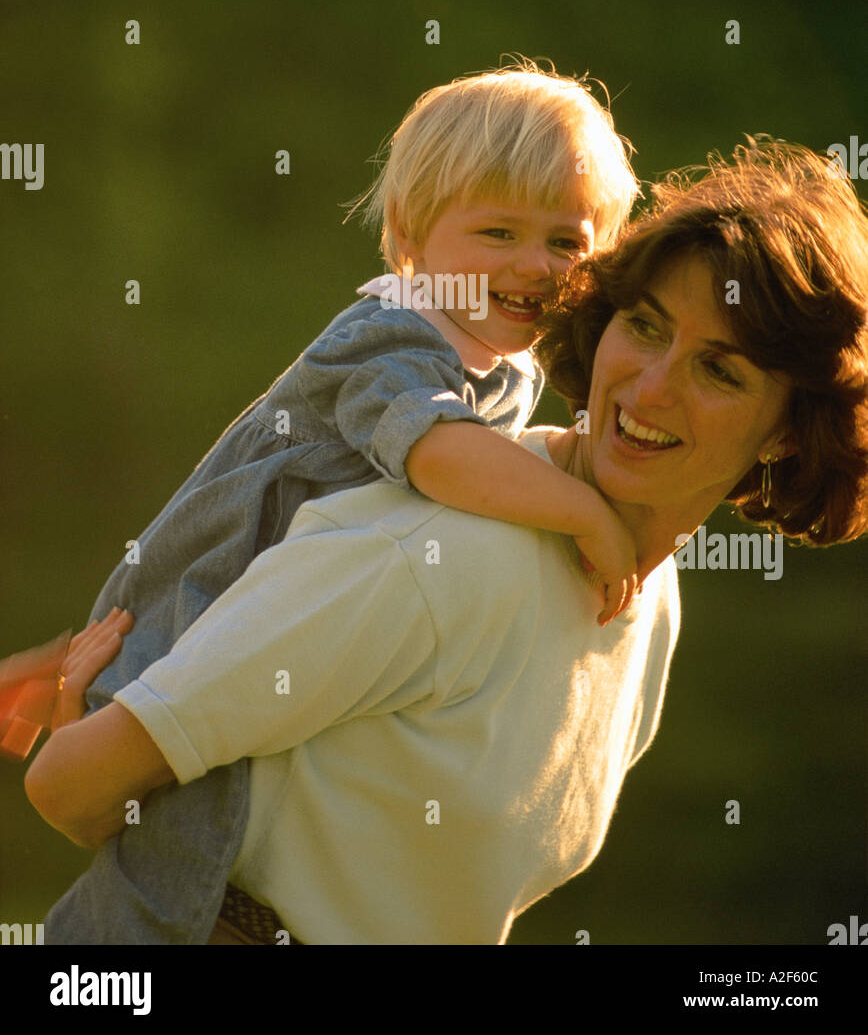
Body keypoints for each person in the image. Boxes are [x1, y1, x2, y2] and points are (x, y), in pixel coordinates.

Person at [26, 139, 868, 945]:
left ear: (788, 433)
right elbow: (68, 783)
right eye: (645, 326)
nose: (651, 387)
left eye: (720, 370)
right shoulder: (449, 549)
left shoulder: (652, 599)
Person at [25, 59, 641, 945]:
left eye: (567, 243)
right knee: (174, 876)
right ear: (410, 241)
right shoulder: (385, 339)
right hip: (182, 628)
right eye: (497, 232)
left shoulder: (506, 369)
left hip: (262, 656)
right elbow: (439, 457)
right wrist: (587, 515)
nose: (533, 266)